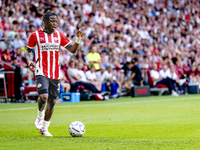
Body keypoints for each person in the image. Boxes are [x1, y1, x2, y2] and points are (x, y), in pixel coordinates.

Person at [25, 12, 85, 136]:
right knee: (44, 97)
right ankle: (40, 114)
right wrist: (30, 60)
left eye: (56, 21)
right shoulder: (35, 35)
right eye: (52, 21)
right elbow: (28, 51)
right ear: (45, 22)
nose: (55, 23)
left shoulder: (59, 35)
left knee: (52, 101)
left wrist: (78, 39)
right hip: (41, 69)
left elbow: (72, 50)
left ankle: (45, 128)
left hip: (55, 72)